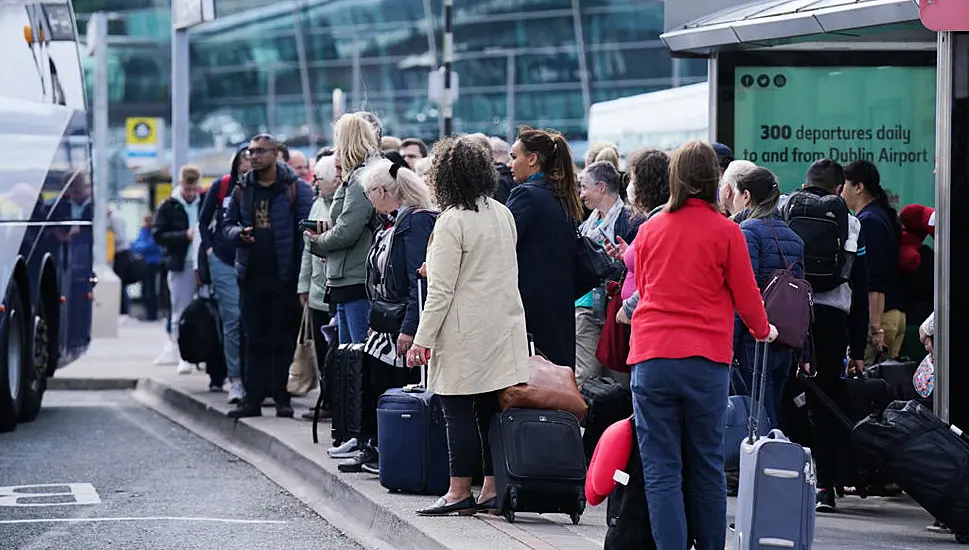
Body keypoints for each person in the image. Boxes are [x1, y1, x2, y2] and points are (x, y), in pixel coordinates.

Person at [628, 140, 776, 550]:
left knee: (661, 469)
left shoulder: (649, 230)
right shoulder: (727, 231)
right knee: (707, 466)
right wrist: (764, 330)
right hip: (705, 362)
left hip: (653, 357)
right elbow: (748, 297)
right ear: (714, 179)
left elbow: (643, 287)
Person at [406, 135, 529, 517]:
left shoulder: (450, 221)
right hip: (503, 324)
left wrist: (421, 341)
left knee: (456, 408)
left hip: (464, 331)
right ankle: (491, 489)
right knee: (492, 408)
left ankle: (459, 490)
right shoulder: (501, 211)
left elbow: (441, 291)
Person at [336, 158, 435, 474]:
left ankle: (386, 450)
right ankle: (375, 448)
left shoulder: (413, 222)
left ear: (381, 191)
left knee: (388, 386)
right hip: (385, 323)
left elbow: (417, 279)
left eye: (370, 194)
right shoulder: (395, 222)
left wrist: (410, 327)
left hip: (398, 325)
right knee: (373, 385)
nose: (369, 200)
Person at [779, 159, 868, 512]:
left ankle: (786, 475)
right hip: (830, 320)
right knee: (827, 399)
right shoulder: (852, 223)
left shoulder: (787, 208)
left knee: (785, 393)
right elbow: (858, 286)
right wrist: (857, 346)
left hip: (790, 313)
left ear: (805, 184)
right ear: (837, 189)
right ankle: (826, 486)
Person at [223, 134, 315, 419]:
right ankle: (253, 399)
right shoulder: (242, 188)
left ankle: (281, 397)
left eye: (260, 151)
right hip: (251, 276)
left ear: (276, 154)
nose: (254, 156)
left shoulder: (295, 189)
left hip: (283, 277)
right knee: (255, 338)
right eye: (251, 151)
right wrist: (239, 234)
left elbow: (305, 235)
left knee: (282, 338)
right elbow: (227, 226)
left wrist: (302, 278)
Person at [731, 167, 805, 428]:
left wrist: (730, 342)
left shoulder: (747, 231)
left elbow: (744, 290)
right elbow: (801, 298)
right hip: (784, 339)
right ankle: (776, 459)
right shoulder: (794, 238)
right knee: (772, 406)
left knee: (756, 414)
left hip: (755, 339)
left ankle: (765, 463)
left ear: (747, 196)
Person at [506, 126, 584, 368]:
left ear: (532, 159)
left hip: (531, 313)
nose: (510, 164)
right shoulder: (561, 197)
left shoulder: (526, 196)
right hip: (559, 310)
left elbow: (502, 244)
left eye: (514, 157)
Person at [307, 114, 379, 345]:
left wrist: (318, 240)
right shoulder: (362, 176)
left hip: (354, 278)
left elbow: (347, 231)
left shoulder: (360, 179)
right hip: (347, 277)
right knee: (349, 354)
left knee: (355, 355)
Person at [574, 161, 641, 388]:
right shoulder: (588, 223)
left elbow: (636, 268)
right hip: (588, 306)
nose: (581, 195)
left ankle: (612, 424)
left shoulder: (630, 220)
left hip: (618, 309)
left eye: (584, 187)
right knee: (586, 375)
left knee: (618, 377)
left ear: (601, 187)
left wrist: (615, 262)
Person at [199, 145, 250, 404]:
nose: (249, 163)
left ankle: (254, 378)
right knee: (233, 320)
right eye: (244, 159)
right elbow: (203, 219)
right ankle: (236, 380)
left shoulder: (263, 187)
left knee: (252, 322)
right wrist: (209, 250)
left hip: (251, 262)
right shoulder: (222, 186)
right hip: (224, 259)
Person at [841, 160, 905, 362]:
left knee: (866, 384)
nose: (840, 192)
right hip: (893, 314)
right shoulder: (883, 214)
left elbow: (874, 277)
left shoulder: (868, 222)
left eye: (844, 185)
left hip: (879, 316)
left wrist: (875, 328)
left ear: (858, 187)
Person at [298, 152, 340, 421]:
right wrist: (302, 284)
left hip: (333, 288)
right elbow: (307, 250)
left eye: (319, 179)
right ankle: (326, 399)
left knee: (336, 353)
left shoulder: (338, 204)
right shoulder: (316, 204)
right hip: (315, 291)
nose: (315, 183)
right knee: (322, 353)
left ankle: (337, 404)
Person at [608, 148, 670, 326]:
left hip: (647, 319)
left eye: (634, 179)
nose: (630, 186)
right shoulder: (652, 219)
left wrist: (629, 307)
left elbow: (659, 277)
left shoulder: (659, 222)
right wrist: (627, 253)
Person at [152, 165, 203, 374]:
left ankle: (201, 352)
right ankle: (182, 354)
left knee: (204, 309)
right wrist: (184, 235)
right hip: (181, 263)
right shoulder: (169, 206)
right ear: (181, 184)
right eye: (187, 189)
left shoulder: (204, 202)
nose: (191, 194)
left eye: (194, 189)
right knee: (180, 310)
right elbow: (158, 235)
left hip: (202, 262)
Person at [131, 213, 163, 321]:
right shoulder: (143, 231)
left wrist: (142, 247)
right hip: (144, 263)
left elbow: (153, 246)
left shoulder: (154, 231)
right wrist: (142, 247)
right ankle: (147, 313)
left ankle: (152, 314)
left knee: (152, 289)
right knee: (145, 289)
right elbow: (135, 245)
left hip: (154, 263)